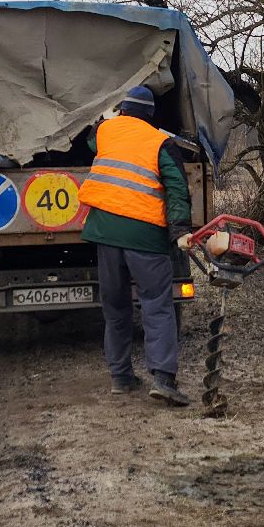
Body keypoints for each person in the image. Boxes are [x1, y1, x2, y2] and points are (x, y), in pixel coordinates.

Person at [80, 85, 195, 406]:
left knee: (115, 308)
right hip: (145, 236)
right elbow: (177, 188)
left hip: (105, 234)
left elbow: (90, 141)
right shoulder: (161, 142)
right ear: (150, 115)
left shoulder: (105, 132)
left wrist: (104, 119)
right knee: (157, 305)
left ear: (123, 110)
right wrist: (180, 231)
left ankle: (121, 377)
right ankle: (163, 379)